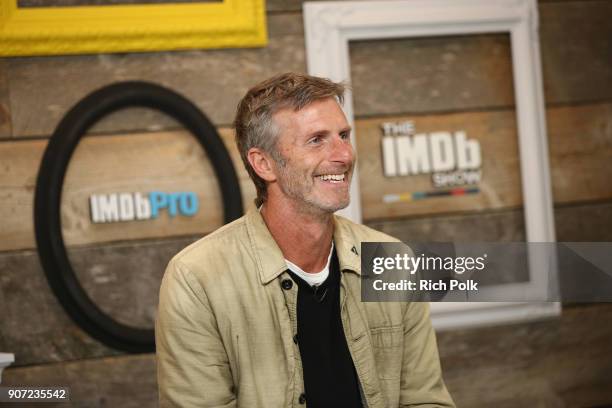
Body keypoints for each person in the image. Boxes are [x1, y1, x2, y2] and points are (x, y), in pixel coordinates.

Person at [156, 72, 455, 407]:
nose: (343, 155)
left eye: (343, 135)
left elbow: (425, 399)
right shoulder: (196, 278)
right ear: (264, 163)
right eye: (317, 139)